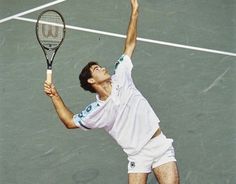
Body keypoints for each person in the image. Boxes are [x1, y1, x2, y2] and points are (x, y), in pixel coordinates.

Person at [44, 0, 180, 183]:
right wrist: (55, 95)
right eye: (97, 69)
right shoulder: (96, 110)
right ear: (91, 81)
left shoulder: (121, 75)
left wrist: (135, 12)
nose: (102, 68)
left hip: (158, 145)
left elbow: (129, 45)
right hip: (137, 156)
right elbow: (69, 121)